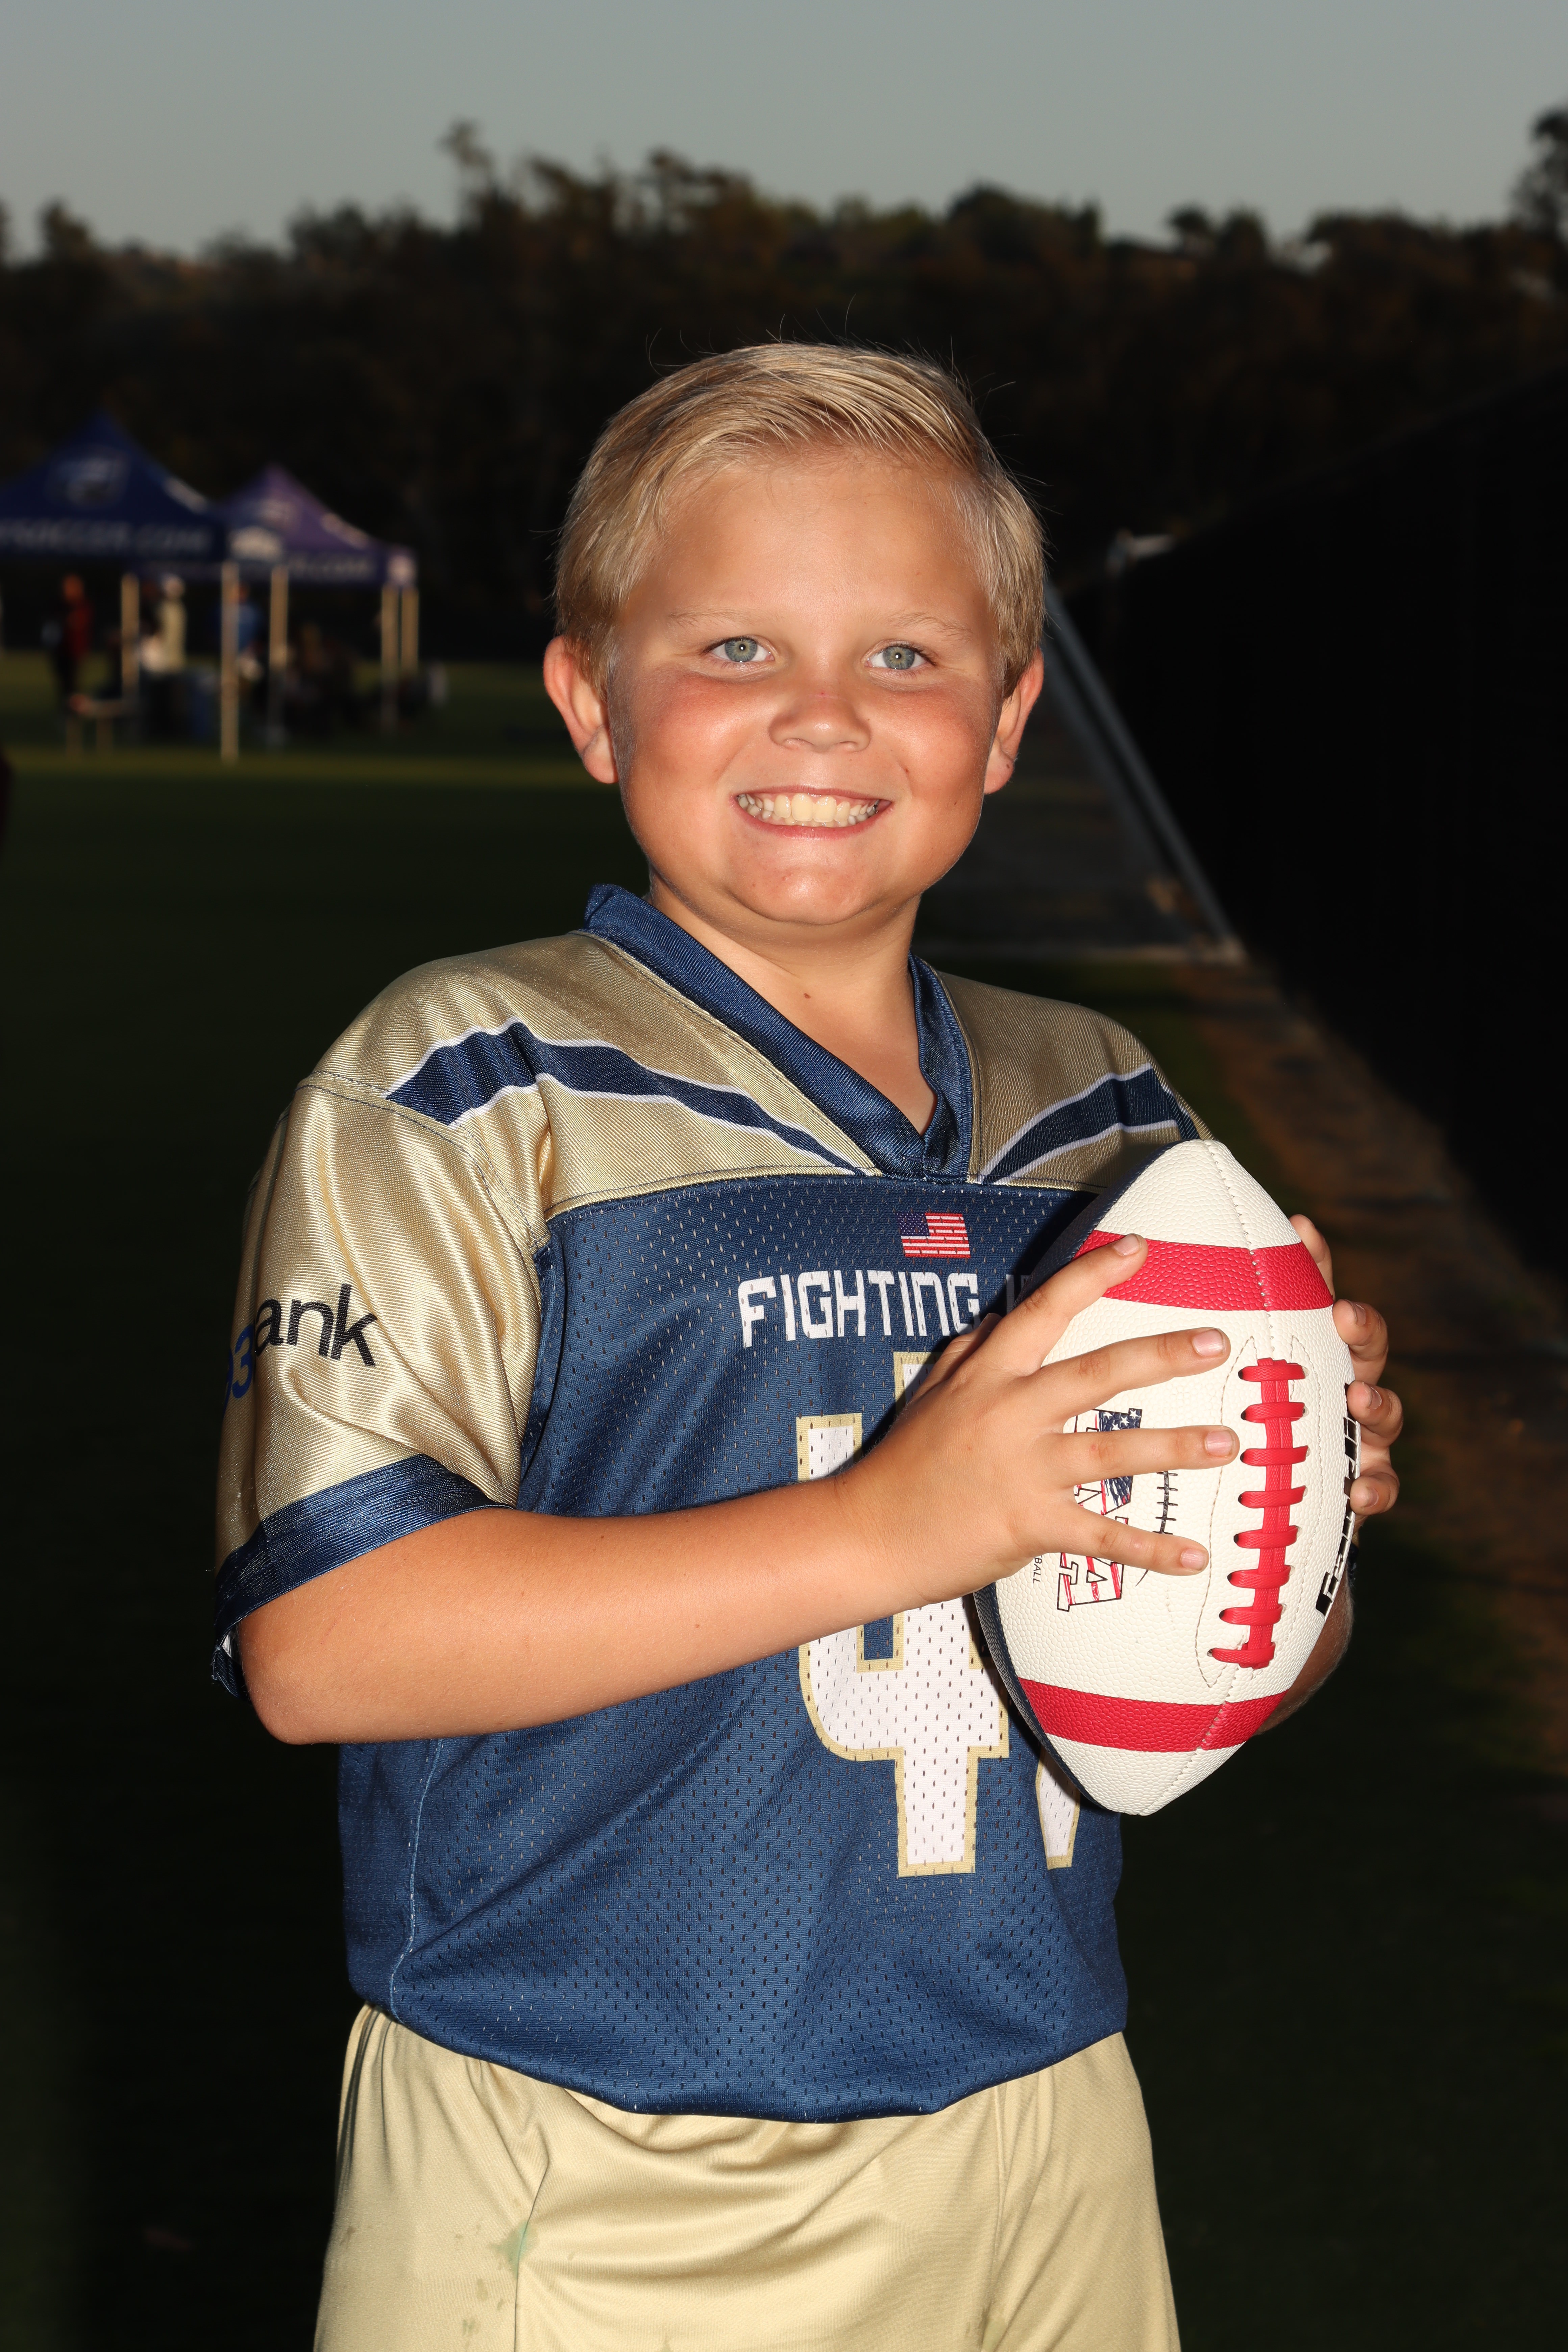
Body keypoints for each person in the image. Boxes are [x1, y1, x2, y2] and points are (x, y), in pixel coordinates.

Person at [216, 347, 1402, 2351]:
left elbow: (1233, 1666)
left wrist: (1292, 1523)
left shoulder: (1104, 1112)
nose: (824, 711)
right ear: (589, 696)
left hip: (1039, 2119)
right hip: (587, 2155)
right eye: (735, 644)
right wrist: (892, 1526)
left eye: (905, 656)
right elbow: (322, 1648)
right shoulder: (463, 1079)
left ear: (1006, 718)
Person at [44, 573, 94, 707]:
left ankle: (74, 710)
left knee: (73, 684)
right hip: (60, 651)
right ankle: (66, 709)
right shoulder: (59, 605)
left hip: (75, 651)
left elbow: (77, 622)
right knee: (63, 684)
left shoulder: (82, 605)